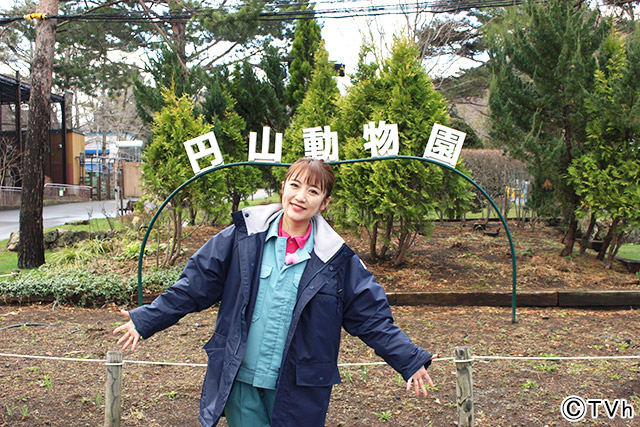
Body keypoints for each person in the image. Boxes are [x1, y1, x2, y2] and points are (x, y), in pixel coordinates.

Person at [113, 158, 437, 427]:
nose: (300, 196)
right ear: (282, 187)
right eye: (294, 185)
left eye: (313, 191)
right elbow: (194, 286)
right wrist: (146, 319)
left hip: (299, 387)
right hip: (242, 378)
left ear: (324, 202)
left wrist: (408, 359)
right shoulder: (243, 238)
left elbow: (371, 318)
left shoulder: (336, 259)